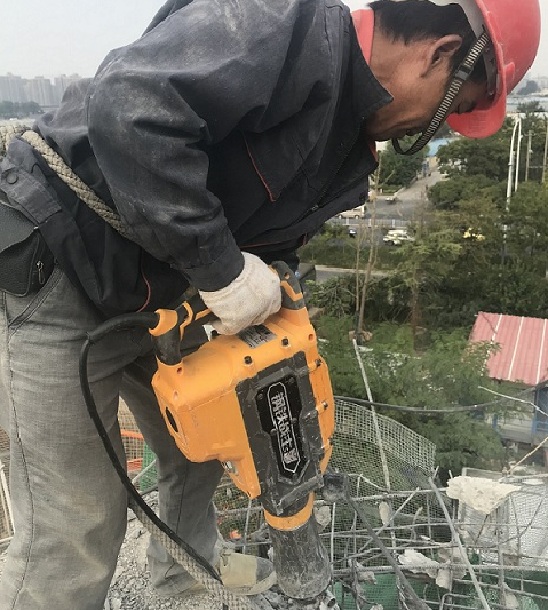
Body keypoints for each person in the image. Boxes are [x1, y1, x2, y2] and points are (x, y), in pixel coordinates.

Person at [0, 0, 540, 608]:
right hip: (64, 265)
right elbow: (131, 109)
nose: (437, 130)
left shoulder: (345, 142)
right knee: (76, 523)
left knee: (201, 451)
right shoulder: (280, 23)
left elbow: (266, 242)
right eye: (454, 107)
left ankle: (185, 590)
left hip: (163, 293)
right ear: (441, 53)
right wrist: (223, 272)